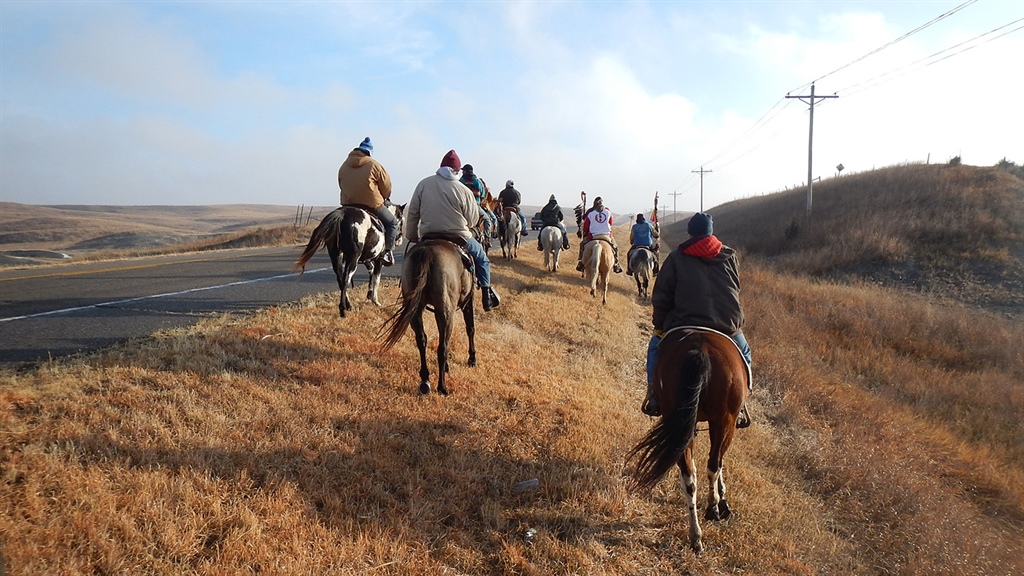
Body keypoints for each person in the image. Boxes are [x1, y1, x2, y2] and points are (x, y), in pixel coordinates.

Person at [643, 212, 751, 425]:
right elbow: (735, 288)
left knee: (655, 347)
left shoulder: (676, 257)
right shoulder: (730, 256)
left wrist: (659, 326)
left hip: (684, 322)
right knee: (744, 353)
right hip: (726, 326)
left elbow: (662, 296)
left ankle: (654, 396)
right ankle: (740, 404)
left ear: (690, 232)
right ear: (711, 232)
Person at [405, 150, 501, 311]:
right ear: (457, 171)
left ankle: (406, 288)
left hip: (429, 234)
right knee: (482, 258)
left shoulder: (423, 183)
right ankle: (486, 294)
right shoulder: (463, 190)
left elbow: (413, 212)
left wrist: (412, 235)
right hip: (459, 236)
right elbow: (471, 220)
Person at [338, 137, 399, 266]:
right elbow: (386, 186)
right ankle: (387, 252)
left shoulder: (344, 165)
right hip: (371, 204)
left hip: (348, 204)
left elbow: (341, 183)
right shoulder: (374, 165)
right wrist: (385, 196)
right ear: (370, 152)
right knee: (393, 223)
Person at [575, 196, 623, 274]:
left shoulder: (590, 212)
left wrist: (586, 232)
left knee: (582, 245)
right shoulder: (608, 211)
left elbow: (586, 225)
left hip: (593, 236)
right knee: (615, 247)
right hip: (606, 236)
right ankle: (616, 263)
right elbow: (610, 223)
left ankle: (581, 262)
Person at [459, 164, 497, 239]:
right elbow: (482, 194)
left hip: (462, 205)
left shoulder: (461, 181)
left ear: (465, 172)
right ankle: (487, 237)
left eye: (463, 171)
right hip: (475, 205)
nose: (462, 172)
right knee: (487, 220)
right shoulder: (477, 181)